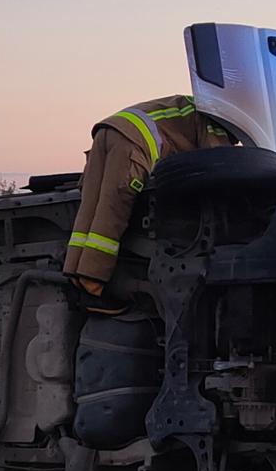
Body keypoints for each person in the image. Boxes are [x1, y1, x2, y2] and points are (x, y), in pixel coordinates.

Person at [64, 95, 234, 312]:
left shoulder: (192, 104)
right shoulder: (215, 118)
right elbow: (221, 162)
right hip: (134, 141)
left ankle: (74, 281)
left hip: (108, 130)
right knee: (112, 213)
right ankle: (92, 287)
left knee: (90, 210)